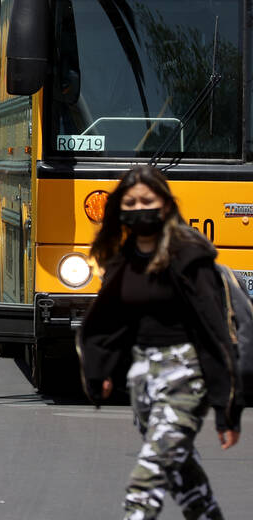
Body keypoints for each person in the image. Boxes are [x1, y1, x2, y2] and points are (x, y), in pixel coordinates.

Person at [78, 165, 241, 519]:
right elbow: (107, 324)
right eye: (131, 202)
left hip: (187, 377)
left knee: (146, 483)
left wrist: (227, 407)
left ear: (166, 205)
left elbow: (214, 331)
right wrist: (99, 371)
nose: (139, 208)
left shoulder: (189, 257)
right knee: (182, 475)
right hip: (144, 381)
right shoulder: (122, 261)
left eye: (147, 201)